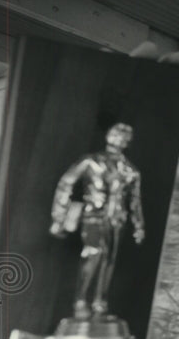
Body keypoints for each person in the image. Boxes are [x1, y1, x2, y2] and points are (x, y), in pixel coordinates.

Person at [49, 122, 146, 320]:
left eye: (123, 136)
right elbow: (66, 183)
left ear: (128, 142)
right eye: (115, 134)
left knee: (109, 260)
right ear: (108, 136)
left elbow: (135, 201)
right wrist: (60, 215)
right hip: (94, 214)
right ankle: (80, 301)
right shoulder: (91, 161)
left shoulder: (131, 171)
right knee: (93, 253)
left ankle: (100, 303)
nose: (118, 139)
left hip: (117, 219)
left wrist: (139, 225)